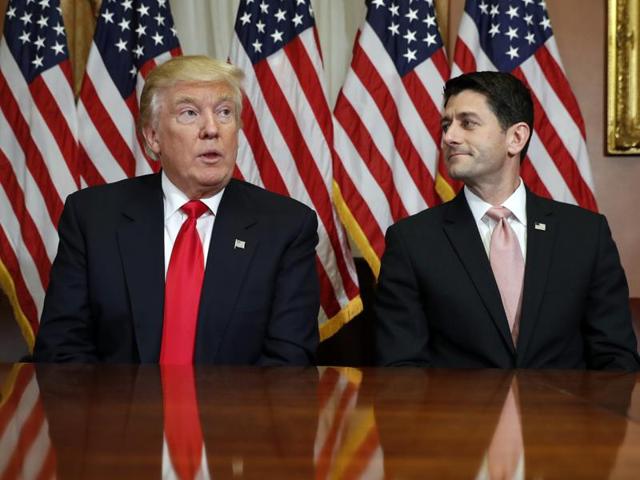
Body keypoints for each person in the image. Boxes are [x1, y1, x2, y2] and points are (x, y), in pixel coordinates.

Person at [34, 56, 320, 365]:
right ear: (153, 137)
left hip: (236, 413)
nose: (212, 129)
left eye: (224, 112)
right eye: (190, 113)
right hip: (117, 412)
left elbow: (287, 363)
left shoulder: (286, 227)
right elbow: (62, 353)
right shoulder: (92, 218)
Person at [375, 71, 639, 370]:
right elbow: (401, 368)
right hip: (455, 416)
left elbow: (616, 359)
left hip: (565, 415)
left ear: (516, 137)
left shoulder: (585, 235)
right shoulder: (412, 240)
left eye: (468, 123)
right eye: (446, 125)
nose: (449, 137)